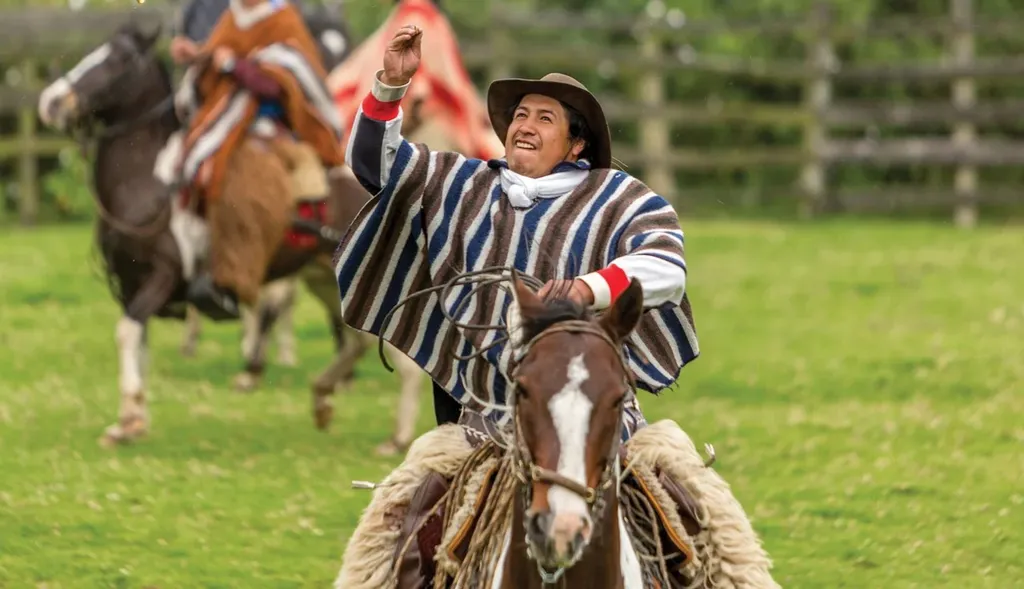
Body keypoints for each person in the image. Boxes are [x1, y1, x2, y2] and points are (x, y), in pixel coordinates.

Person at [332, 24, 706, 588]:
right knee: (396, 528)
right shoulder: (463, 184)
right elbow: (375, 168)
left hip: (603, 423)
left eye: (545, 118)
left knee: (701, 515)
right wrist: (389, 87)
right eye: (521, 115)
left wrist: (586, 289)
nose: (525, 126)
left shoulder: (619, 198)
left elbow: (666, 267)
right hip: (484, 424)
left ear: (576, 145)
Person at [162, 0, 346, 320]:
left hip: (271, 126)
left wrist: (234, 66)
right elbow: (215, 56)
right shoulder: (234, 15)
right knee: (184, 161)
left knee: (239, 180)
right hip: (226, 121)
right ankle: (180, 262)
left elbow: (281, 83)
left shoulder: (284, 18)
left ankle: (232, 280)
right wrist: (196, 55)